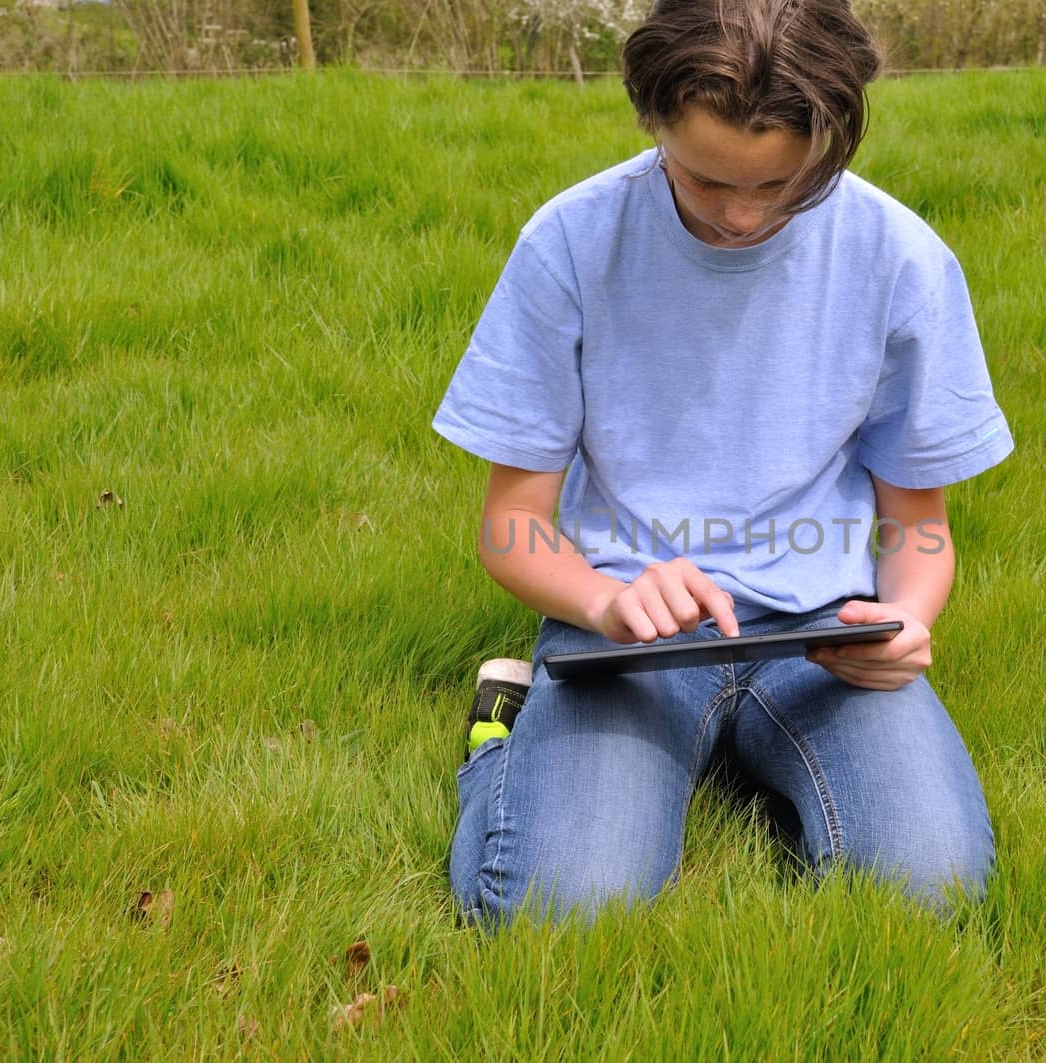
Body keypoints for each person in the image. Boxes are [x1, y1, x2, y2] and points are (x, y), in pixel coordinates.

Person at [433, 0, 1013, 924]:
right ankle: (504, 728)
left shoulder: (901, 260)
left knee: (927, 895)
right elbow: (512, 530)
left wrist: (903, 617)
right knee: (552, 913)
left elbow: (919, 526)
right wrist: (601, 604)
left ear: (832, 140)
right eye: (707, 181)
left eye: (786, 184)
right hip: (627, 631)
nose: (745, 217)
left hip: (822, 632)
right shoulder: (571, 244)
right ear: (652, 118)